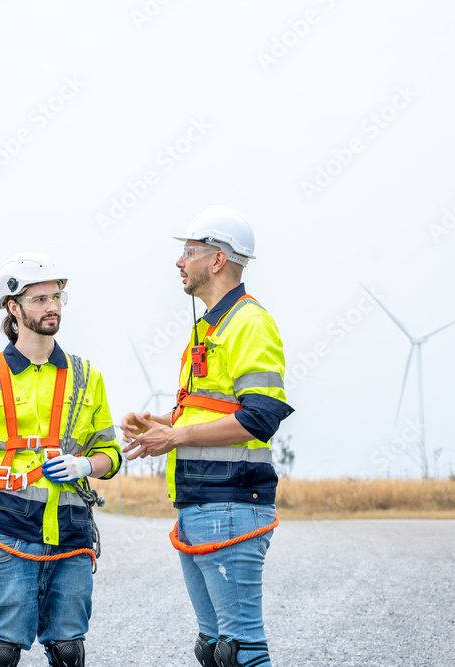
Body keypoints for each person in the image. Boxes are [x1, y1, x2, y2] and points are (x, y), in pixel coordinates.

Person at [120, 206, 293, 667]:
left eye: (188, 252)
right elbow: (212, 412)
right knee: (214, 650)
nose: (179, 262)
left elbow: (260, 418)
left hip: (233, 503)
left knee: (239, 653)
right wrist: (162, 427)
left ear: (217, 260)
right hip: (201, 503)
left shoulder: (250, 323)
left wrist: (176, 438)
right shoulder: (208, 326)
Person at [0, 252, 122, 667]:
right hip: (8, 530)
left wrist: (85, 466)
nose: (52, 306)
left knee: (69, 651)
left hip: (72, 535)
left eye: (56, 296)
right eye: (39, 299)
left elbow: (110, 454)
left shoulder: (87, 376)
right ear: (13, 307)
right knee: (2, 653)